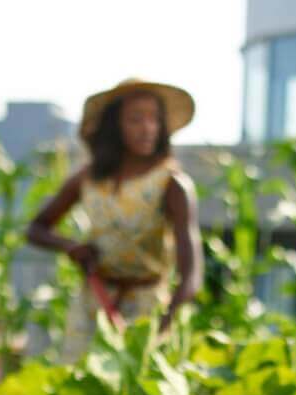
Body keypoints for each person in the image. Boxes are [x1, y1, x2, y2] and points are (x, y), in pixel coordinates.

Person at [26, 78, 202, 359]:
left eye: (154, 120)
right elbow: (36, 229)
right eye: (135, 120)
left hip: (147, 309)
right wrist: (71, 248)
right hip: (93, 302)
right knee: (79, 387)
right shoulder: (88, 180)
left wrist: (163, 324)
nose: (147, 128)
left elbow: (191, 276)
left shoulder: (171, 185)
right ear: (114, 126)